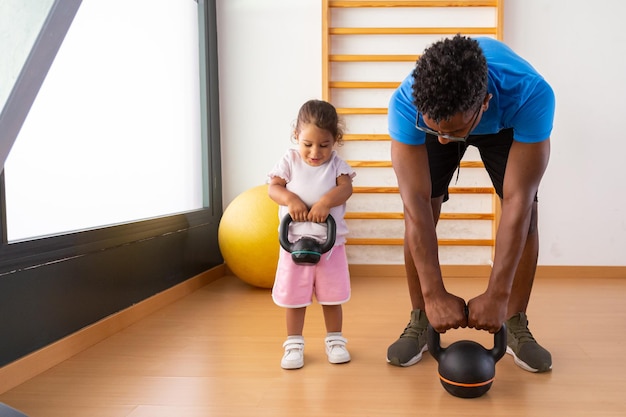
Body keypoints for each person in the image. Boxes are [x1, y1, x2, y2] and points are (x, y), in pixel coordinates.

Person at [386, 34, 554, 373]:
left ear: (485, 103)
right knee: (422, 209)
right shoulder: (407, 103)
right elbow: (415, 203)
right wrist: (433, 294)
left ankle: (515, 321)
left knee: (528, 213)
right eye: (438, 132)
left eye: (452, 133)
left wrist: (497, 294)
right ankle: (421, 318)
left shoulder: (531, 93)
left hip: (507, 123)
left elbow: (518, 202)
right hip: (445, 115)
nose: (445, 141)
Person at [268, 99, 356, 370]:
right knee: (295, 297)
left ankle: (335, 339)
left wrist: (326, 202)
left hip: (330, 246)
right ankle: (293, 343)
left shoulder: (337, 166)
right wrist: (290, 199)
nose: (315, 152)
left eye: (324, 145)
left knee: (332, 296)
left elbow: (346, 189)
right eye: (307, 144)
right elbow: (273, 188)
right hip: (293, 243)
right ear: (296, 136)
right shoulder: (289, 160)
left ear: (335, 141)